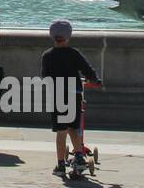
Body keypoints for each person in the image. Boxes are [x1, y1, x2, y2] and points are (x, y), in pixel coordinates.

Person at [41, 18, 102, 177]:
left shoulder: (47, 56)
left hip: (57, 97)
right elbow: (87, 70)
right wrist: (94, 79)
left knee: (61, 132)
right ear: (68, 36)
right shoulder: (74, 54)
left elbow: (45, 78)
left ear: (51, 36)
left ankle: (61, 165)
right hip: (74, 94)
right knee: (74, 128)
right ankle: (80, 157)